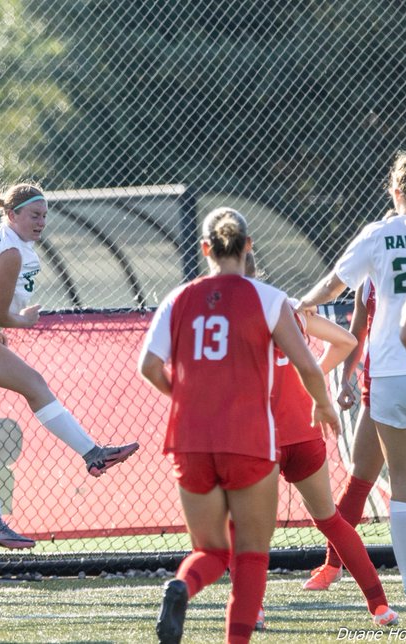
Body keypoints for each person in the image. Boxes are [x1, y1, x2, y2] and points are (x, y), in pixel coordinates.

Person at [0, 143, 139, 549]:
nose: (41, 222)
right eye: (34, 215)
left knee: (35, 384)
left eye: (44, 216)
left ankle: (93, 453)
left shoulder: (13, 242)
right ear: (11, 215)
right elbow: (3, 314)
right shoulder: (10, 251)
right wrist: (24, 320)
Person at [141, 209, 339, 643]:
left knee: (210, 549)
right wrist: (323, 405)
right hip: (248, 438)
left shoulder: (178, 298)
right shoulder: (268, 298)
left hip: (190, 439)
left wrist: (187, 399)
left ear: (205, 249)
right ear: (248, 246)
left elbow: (148, 366)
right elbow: (307, 364)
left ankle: (182, 586)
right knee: (251, 553)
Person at [298, 152, 406, 613]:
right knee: (370, 478)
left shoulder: (377, 239)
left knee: (392, 482)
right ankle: (336, 565)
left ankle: (404, 582)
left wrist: (302, 306)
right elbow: (357, 325)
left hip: (394, 374)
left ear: (395, 191)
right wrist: (351, 376)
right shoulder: (386, 251)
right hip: (398, 371)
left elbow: (336, 290)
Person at [243, 254, 396, 629]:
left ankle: (252, 609)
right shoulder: (288, 306)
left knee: (250, 526)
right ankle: (380, 606)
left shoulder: (225, 313)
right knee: (330, 520)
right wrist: (307, 377)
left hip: (260, 434)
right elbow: (345, 340)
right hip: (304, 429)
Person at [305, 278, 386, 591]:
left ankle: (334, 566)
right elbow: (358, 332)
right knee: (360, 480)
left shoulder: (381, 256)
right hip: (387, 385)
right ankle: (333, 564)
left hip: (397, 384)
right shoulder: (373, 273)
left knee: (398, 482)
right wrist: (344, 380)